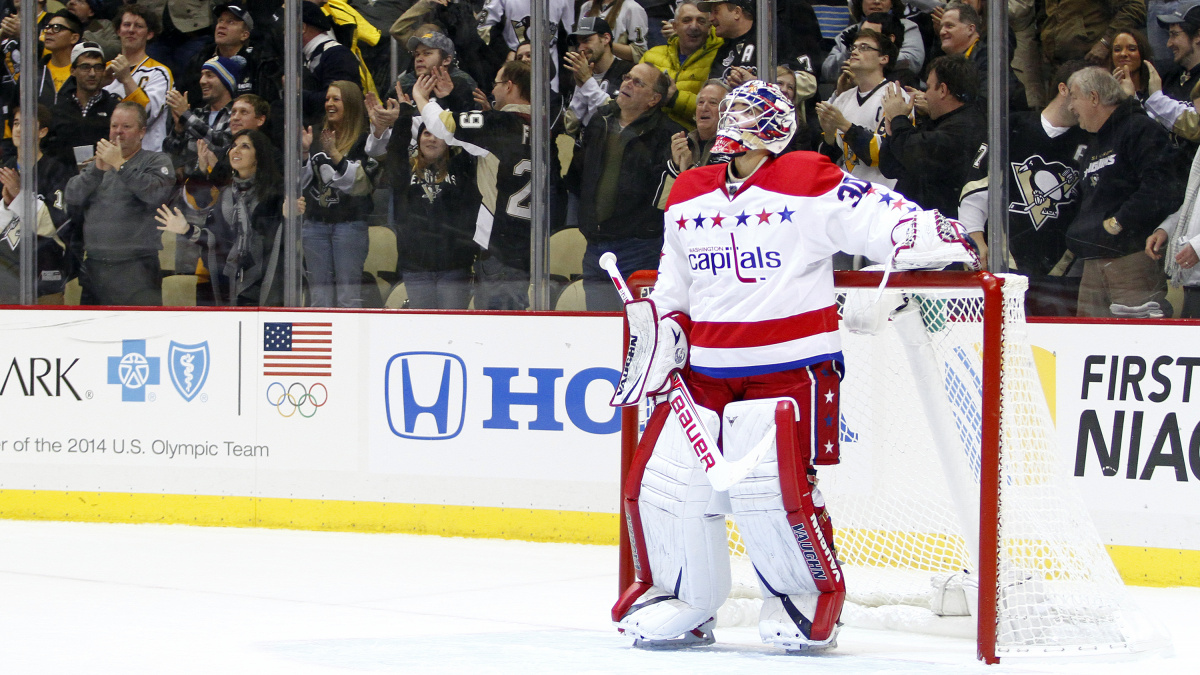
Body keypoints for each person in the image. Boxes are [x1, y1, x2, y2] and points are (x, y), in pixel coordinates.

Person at [612, 79, 979, 651]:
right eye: (730, 110)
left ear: (773, 130)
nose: (731, 122)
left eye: (746, 114)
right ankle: (680, 598)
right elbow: (675, 282)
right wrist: (662, 328)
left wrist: (935, 233)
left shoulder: (807, 177)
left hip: (789, 366)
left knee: (771, 490)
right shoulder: (689, 190)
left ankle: (801, 601)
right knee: (666, 481)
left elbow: (881, 216)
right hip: (705, 371)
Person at [958, 60, 1091, 316]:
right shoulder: (1011, 127)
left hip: (1064, 272)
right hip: (1008, 265)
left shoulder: (1092, 138)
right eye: (1088, 92)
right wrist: (975, 239)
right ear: (1064, 89)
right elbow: (976, 189)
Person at [1065, 66, 1184, 318]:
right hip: (1093, 261)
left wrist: (1119, 222)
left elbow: (1162, 188)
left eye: (1074, 97)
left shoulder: (1140, 129)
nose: (1070, 107)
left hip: (1132, 259)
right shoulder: (1094, 142)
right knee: (1087, 346)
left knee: (1136, 342)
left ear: (1094, 97)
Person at [414, 60, 533, 310]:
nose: (494, 90)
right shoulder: (540, 128)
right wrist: (456, 97)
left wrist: (421, 98)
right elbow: (476, 141)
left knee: (495, 334)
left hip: (500, 247)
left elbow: (443, 126)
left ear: (510, 86)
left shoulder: (501, 123)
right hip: (525, 245)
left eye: (497, 84)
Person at [567, 62, 681, 311]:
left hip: (639, 246)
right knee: (598, 326)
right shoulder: (600, 121)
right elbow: (579, 174)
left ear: (654, 99)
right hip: (595, 244)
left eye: (638, 82)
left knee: (638, 326)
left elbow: (664, 196)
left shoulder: (668, 135)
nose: (627, 83)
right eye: (627, 77)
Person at [154, 129, 286, 306]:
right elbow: (215, 241)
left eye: (245, 146)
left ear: (258, 156)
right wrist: (186, 229)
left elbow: (273, 241)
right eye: (233, 146)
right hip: (227, 283)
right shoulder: (224, 196)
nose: (235, 150)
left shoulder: (275, 194)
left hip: (264, 285)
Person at [64, 101, 175, 305]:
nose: (118, 132)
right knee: (93, 335)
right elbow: (71, 196)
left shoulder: (156, 161)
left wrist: (120, 165)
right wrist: (97, 171)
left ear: (142, 132)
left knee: (138, 333)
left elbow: (155, 194)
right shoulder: (97, 164)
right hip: (96, 267)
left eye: (126, 127)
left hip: (137, 268)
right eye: (114, 126)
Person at [372, 99, 479, 309]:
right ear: (418, 138)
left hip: (455, 268)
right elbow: (395, 149)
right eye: (426, 133)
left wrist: (456, 95)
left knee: (450, 331)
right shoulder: (403, 174)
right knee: (423, 331)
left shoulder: (461, 169)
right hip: (416, 269)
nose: (431, 139)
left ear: (448, 140)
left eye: (438, 134)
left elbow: (466, 138)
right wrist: (404, 112)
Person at [300, 80, 380, 308]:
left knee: (348, 296)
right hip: (314, 224)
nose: (329, 104)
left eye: (336, 99)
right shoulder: (314, 135)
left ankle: (348, 343)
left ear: (351, 104)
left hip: (349, 225)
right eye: (327, 99)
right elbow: (301, 183)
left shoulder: (365, 141)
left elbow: (361, 186)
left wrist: (334, 153)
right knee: (318, 298)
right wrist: (305, 152)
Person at [878, 55, 986, 217]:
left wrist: (899, 119)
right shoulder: (939, 122)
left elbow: (915, 156)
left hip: (945, 230)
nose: (925, 95)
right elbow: (891, 168)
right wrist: (894, 125)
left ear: (942, 90)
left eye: (928, 87)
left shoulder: (966, 126)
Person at [0, 104, 70, 302]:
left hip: (45, 277)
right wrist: (7, 203)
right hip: (6, 277)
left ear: (42, 131)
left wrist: (18, 197)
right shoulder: (5, 170)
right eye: (16, 123)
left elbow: (56, 225)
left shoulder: (56, 172)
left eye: (27, 124)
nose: (19, 129)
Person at [816, 28, 901, 187]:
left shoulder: (895, 97)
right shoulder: (843, 98)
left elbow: (882, 155)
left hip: (881, 196)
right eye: (854, 48)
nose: (855, 52)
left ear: (883, 58)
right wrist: (828, 134)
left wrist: (843, 125)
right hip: (846, 193)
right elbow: (828, 161)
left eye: (864, 47)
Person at [640, 1, 724, 131]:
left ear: (709, 27)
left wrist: (675, 98)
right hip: (646, 135)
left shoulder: (719, 59)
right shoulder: (651, 56)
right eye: (686, 20)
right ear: (674, 26)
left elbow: (717, 113)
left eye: (701, 21)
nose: (694, 26)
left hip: (691, 140)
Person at [177, 4, 282, 108]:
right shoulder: (200, 59)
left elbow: (265, 104)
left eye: (231, 22)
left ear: (244, 35)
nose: (221, 25)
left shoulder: (257, 61)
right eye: (220, 21)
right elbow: (188, 98)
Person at [102, 4, 173, 152]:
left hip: (147, 159)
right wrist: (97, 87)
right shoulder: (104, 72)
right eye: (126, 25)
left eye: (139, 26)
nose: (131, 30)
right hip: (110, 157)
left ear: (150, 34)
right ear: (118, 30)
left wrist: (126, 79)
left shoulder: (159, 73)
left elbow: (146, 115)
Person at [46, 40, 120, 171]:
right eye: (85, 67)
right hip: (64, 182)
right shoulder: (57, 110)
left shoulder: (115, 109)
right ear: (73, 71)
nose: (92, 73)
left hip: (105, 180)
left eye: (98, 67)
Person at [822, 0, 923, 82]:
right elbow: (828, 72)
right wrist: (848, 51)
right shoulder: (848, 33)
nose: (877, 1)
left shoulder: (907, 27)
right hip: (852, 89)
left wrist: (865, 61)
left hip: (899, 85)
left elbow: (913, 61)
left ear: (892, 3)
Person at [564, 17, 633, 128]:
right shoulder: (576, 75)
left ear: (606, 38)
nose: (580, 48)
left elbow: (613, 121)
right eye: (578, 43)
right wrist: (580, 86)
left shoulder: (629, 74)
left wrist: (587, 82)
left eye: (586, 40)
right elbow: (570, 125)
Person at [300, 1, 360, 124]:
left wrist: (296, 93)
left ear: (302, 28)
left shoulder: (337, 55)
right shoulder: (307, 56)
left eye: (287, 28)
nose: (284, 33)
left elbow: (339, 100)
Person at [669, 78, 729, 172]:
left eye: (713, 103)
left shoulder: (732, 149)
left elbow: (714, 185)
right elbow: (665, 186)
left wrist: (688, 168)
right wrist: (675, 166)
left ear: (727, 111)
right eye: (701, 102)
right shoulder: (684, 145)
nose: (704, 108)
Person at [34, 9, 82, 106]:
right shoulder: (34, 72)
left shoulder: (82, 73)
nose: (49, 32)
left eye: (57, 28)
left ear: (74, 38)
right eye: (48, 27)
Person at [579, 0, 650, 63]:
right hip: (589, 67)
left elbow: (640, 53)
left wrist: (602, 43)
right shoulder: (586, 7)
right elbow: (578, 41)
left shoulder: (633, 8)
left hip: (618, 70)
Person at [1111, 30, 1153, 100]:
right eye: (1117, 50)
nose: (1123, 54)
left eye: (1132, 49)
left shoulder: (1155, 90)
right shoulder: (1103, 94)